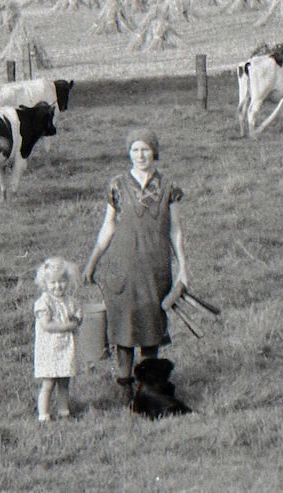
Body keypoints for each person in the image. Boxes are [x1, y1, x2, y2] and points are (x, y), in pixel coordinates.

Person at [82, 128, 188, 403]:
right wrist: (92, 262)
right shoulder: (117, 184)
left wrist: (184, 269)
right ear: (129, 153)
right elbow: (108, 226)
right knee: (124, 327)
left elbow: (176, 230)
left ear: (154, 152)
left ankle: (149, 387)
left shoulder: (169, 187)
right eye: (135, 150)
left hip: (156, 267)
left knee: (152, 327)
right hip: (123, 267)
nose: (140, 155)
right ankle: (124, 385)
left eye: (145, 149)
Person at [33, 256, 83, 421]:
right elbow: (47, 325)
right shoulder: (44, 302)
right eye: (53, 283)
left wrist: (77, 319)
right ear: (45, 284)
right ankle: (44, 414)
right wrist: (69, 326)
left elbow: (77, 316)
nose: (57, 286)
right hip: (49, 349)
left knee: (64, 381)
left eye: (61, 281)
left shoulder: (70, 301)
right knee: (48, 383)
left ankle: (64, 410)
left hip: (66, 347)